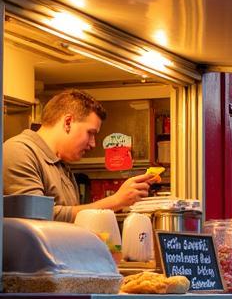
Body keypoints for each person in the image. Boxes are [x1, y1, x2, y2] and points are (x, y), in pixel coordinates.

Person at [3, 89, 153, 222]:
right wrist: (116, 201)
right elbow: (37, 220)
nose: (93, 144)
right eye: (90, 133)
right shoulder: (19, 151)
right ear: (68, 122)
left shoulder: (62, 166)